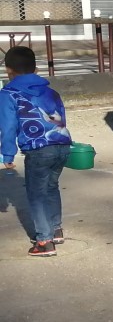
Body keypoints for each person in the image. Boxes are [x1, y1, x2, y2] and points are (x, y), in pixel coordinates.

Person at [0, 46, 73, 257]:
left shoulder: (8, 93)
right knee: (51, 187)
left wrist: (8, 154)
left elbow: (8, 127)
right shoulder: (51, 92)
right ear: (35, 68)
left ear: (8, 70)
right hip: (62, 145)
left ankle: (44, 241)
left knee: (36, 195)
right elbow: (61, 118)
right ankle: (56, 229)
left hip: (38, 149)